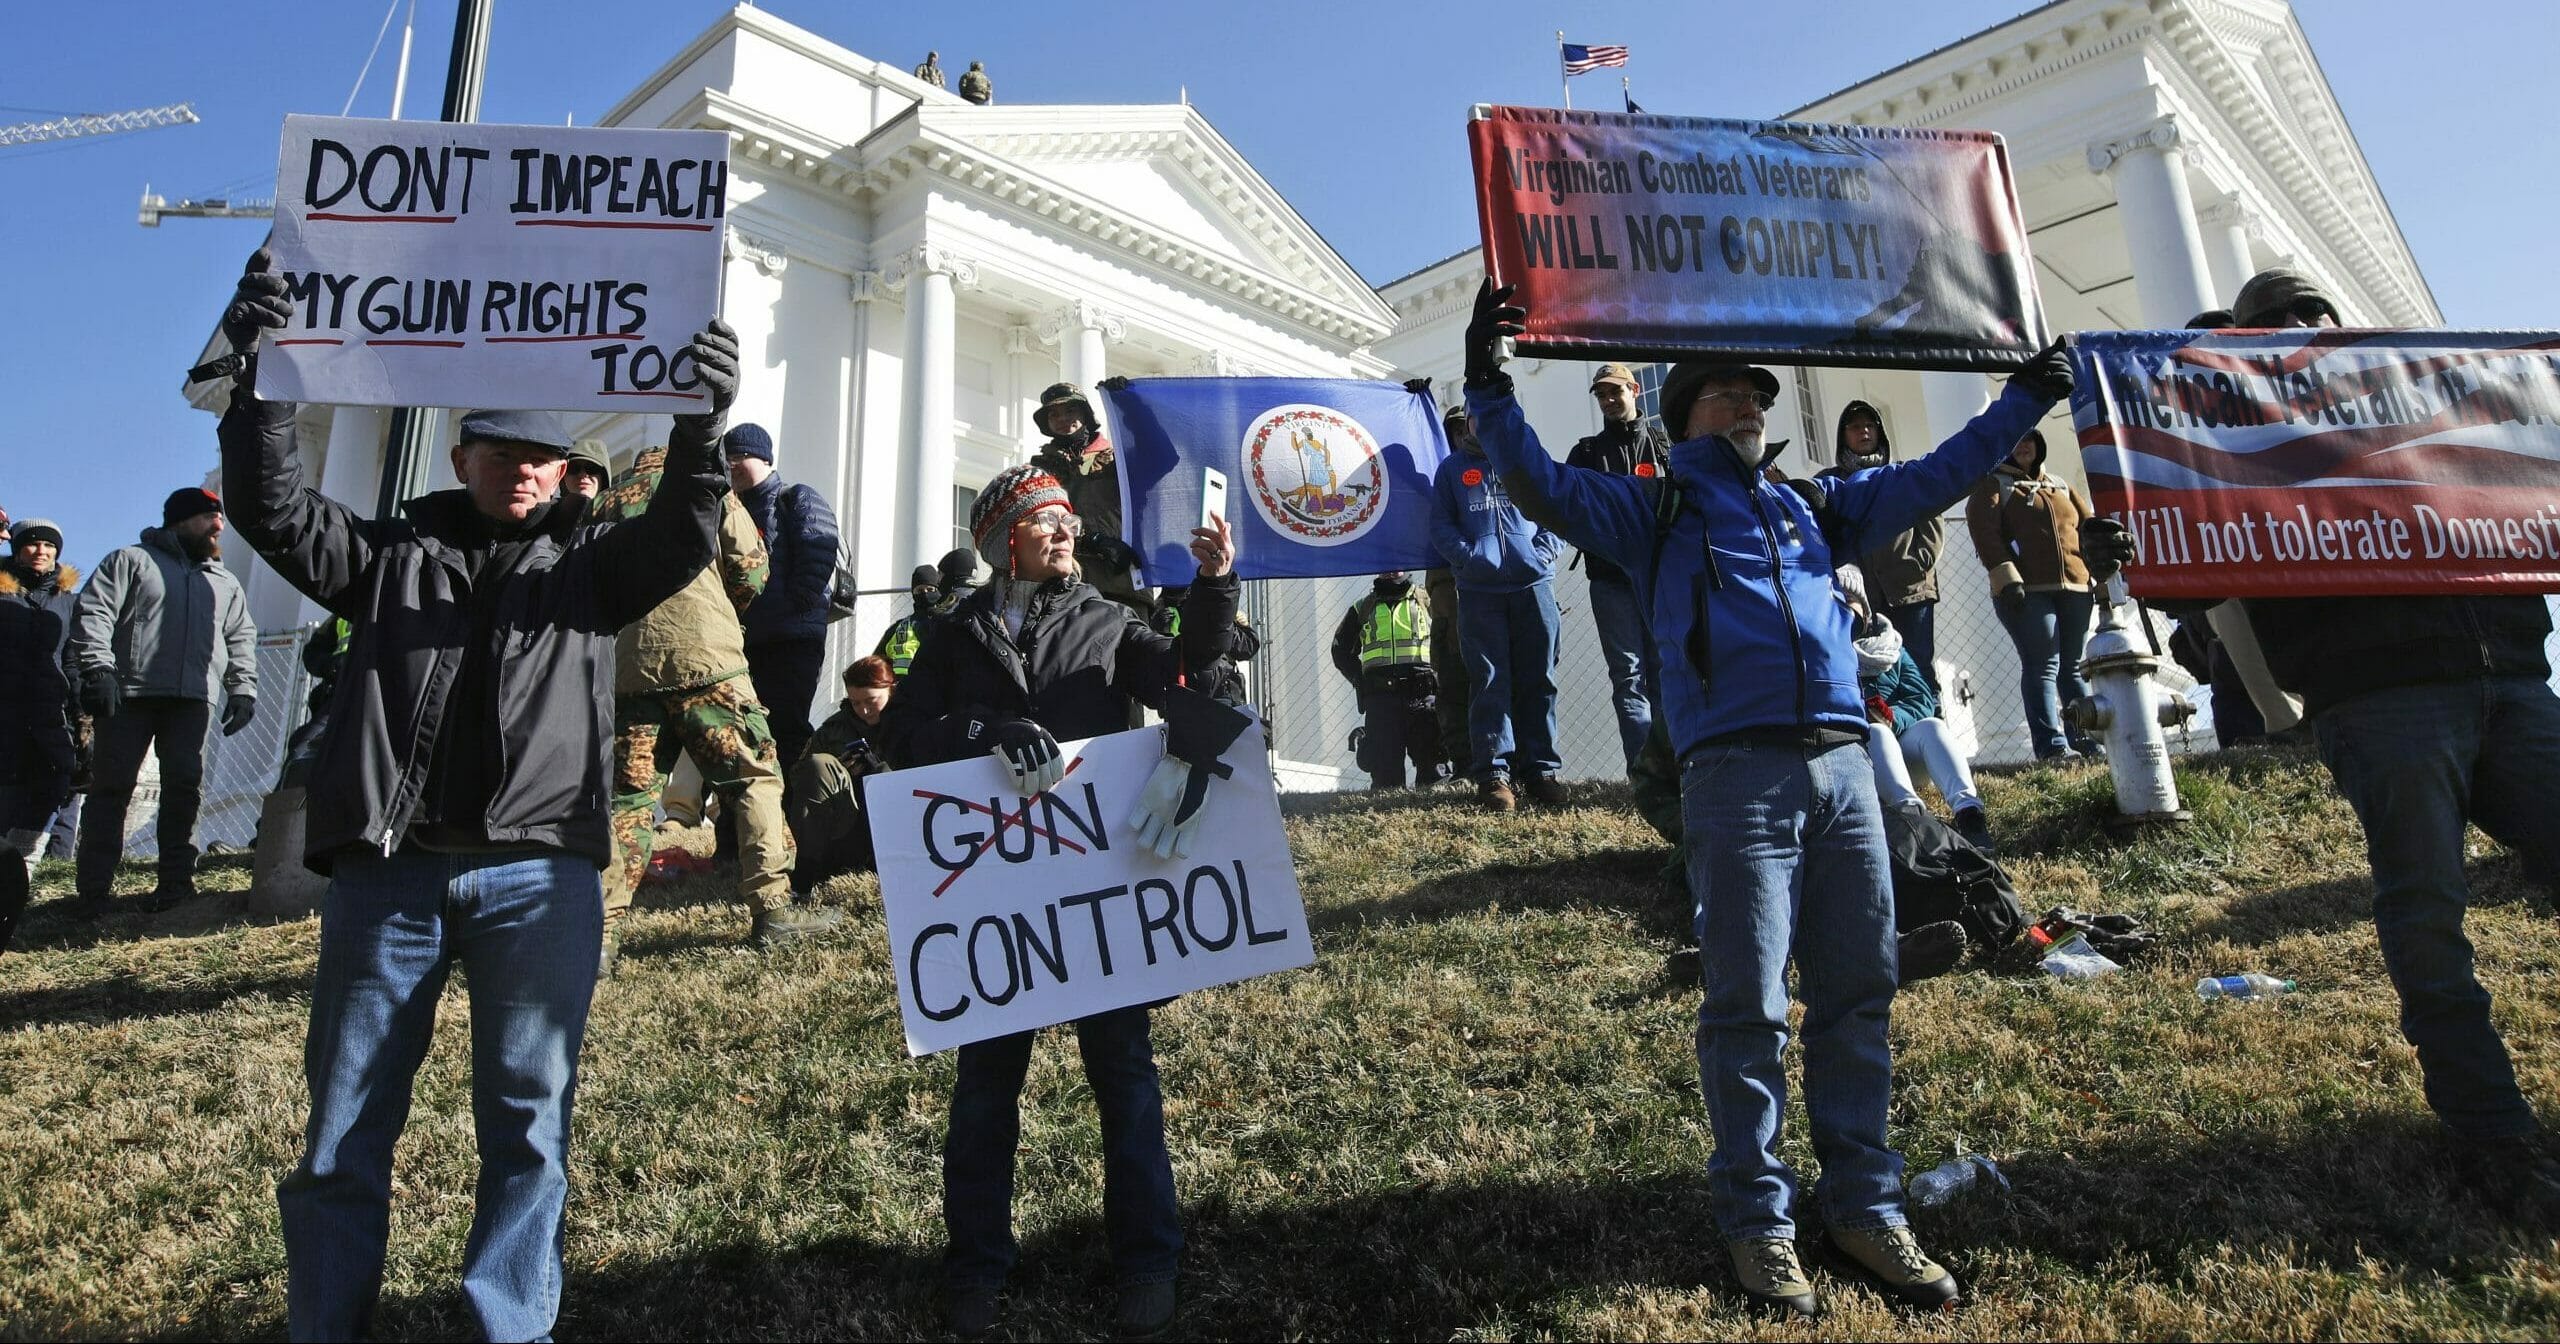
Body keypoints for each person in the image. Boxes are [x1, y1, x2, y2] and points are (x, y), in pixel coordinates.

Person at [1461, 279, 2070, 1317]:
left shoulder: (1815, 506)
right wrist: (1488, 375)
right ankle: (1758, 1221)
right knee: (1745, 1007)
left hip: (1843, 770)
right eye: (1728, 396)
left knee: (1856, 997)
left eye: (1758, 395)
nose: (1750, 407)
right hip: (1733, 777)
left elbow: (1935, 474)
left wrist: (2019, 404)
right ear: (1683, 414)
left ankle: (1864, 1206)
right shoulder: (1653, 505)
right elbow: (1530, 478)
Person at [215, 248, 738, 1341]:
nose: (525, 470)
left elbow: (687, 534)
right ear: (463, 455)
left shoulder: (593, 568)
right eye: (504, 450)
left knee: (528, 1125)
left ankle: (511, 1326)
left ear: (569, 471)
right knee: (342, 1130)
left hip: (536, 877)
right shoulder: (384, 555)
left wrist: (699, 426)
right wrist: (262, 376)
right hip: (390, 877)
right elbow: (270, 509)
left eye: (545, 455)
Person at [2178, 266, 2560, 1213]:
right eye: (2278, 322)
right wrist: (2136, 547)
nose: (2303, 328)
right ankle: (2492, 1133)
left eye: (2315, 314)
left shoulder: (2423, 399)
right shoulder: (2241, 440)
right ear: (2248, 338)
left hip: (2511, 673)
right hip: (2381, 698)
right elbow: (2189, 570)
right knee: (2426, 911)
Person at [883, 461, 1243, 1340]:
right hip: (997, 901)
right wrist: (984, 732)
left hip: (1093, 895)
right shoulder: (954, 634)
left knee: (1123, 1079)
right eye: (1044, 522)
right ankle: (974, 1270)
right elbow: (899, 737)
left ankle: (1148, 1261)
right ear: (1003, 539)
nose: (1064, 532)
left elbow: (1191, 671)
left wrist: (1213, 584)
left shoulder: (1111, 622)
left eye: (1067, 522)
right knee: (984, 1090)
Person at [593, 443, 840, 977]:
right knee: (754, 777)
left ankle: (600, 935)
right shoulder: (707, 485)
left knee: (628, 799)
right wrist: (726, 608)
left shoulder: (607, 502)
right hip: (707, 659)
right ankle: (773, 910)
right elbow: (751, 568)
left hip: (628, 667)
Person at [66, 485, 257, 912]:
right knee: (112, 789)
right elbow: (94, 612)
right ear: (181, 521)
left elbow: (240, 637)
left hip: (192, 699)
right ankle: (93, 891)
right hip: (130, 693)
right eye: (210, 517)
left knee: (184, 789)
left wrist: (242, 688)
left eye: (220, 518)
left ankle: (175, 885)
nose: (219, 526)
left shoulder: (224, 582)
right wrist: (98, 669)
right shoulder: (130, 561)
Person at [1431, 404, 1564, 811]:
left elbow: (1555, 512)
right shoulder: (1451, 471)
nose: (1481, 423)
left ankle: (1540, 770)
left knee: (1539, 677)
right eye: (1474, 416)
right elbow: (1440, 527)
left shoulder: (1526, 461)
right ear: (1468, 423)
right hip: (1478, 592)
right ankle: (1494, 774)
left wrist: (1541, 556)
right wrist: (1472, 559)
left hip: (1533, 587)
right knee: (1489, 680)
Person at [1966, 426, 2102, 760]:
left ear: (2039, 444)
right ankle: (2051, 744)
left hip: (2076, 586)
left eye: (2028, 438)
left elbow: (2090, 528)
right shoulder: (1994, 483)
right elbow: (1984, 530)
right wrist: (2005, 576)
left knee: (2072, 667)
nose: (2022, 445)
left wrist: (2103, 566)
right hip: (2027, 591)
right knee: (2043, 664)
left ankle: (2084, 738)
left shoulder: (2060, 485)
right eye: (2015, 439)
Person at [1838, 566, 1992, 852]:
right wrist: (1866, 717)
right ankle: (1913, 821)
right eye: (1840, 600)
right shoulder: (1826, 652)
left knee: (1932, 725)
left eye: (1853, 599)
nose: (1847, 608)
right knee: (1877, 733)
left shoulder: (1891, 645)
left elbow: (1921, 698)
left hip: (1904, 744)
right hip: (1859, 755)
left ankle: (1970, 814)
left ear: (1865, 606)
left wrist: (1893, 718)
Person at [1564, 363, 1672, 768]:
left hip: (1661, 580)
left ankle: (1675, 771)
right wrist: (1596, 544)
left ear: (1635, 391)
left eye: (1616, 392)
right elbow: (1566, 510)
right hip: (1610, 581)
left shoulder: (1665, 447)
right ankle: (1644, 775)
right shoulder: (1586, 454)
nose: (1609, 401)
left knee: (1665, 672)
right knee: (1628, 678)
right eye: (1602, 395)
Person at [727, 422, 840, 793]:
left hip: (792, 639)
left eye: (739, 457)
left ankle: (793, 815)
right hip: (747, 642)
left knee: (786, 728)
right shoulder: (731, 509)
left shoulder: (794, 497)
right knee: (744, 731)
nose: (732, 466)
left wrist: (796, 604)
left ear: (763, 457)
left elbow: (819, 547)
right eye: (727, 460)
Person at [1819, 401, 1944, 694]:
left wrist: (1917, 562)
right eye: (1855, 427)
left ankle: (1931, 729)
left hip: (1911, 591)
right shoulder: (1830, 483)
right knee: (1871, 672)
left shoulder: (1902, 474)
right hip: (1861, 598)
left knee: (1919, 668)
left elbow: (1932, 514)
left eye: (1869, 426)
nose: (1864, 431)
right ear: (1843, 436)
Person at [1, 515, 78, 946]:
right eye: (32, 544)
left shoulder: (69, 600)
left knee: (53, 790)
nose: (41, 552)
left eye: (49, 546)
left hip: (52, 713)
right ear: (17, 548)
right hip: (6, 714)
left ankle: (27, 878)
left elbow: (73, 656)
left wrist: (81, 708)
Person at [1028, 381, 1145, 610]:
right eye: (1054, 414)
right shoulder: (1039, 471)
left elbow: (1161, 457)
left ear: (1085, 414)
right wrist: (1093, 540)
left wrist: (1129, 405)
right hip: (1064, 588)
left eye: (1070, 410)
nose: (1062, 418)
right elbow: (1038, 521)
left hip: (1122, 587)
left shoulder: (1117, 460)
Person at [787, 654, 898, 889]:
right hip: (845, 820)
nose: (864, 710)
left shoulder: (910, 722)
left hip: (895, 824)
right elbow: (799, 777)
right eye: (856, 703)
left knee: (884, 775)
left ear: (892, 690)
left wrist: (878, 768)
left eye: (871, 700)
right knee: (819, 765)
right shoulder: (833, 729)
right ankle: (806, 873)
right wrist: (838, 770)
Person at [1330, 570, 1444, 789]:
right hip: (1381, 699)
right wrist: (1359, 679)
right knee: (1385, 776)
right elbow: (1340, 650)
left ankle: (1434, 813)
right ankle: (1387, 816)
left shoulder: (1427, 600)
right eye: (1385, 566)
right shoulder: (1362, 607)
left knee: (1433, 766)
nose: (1391, 571)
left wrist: (1442, 676)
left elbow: (1450, 637)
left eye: (1396, 565)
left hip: (1423, 694)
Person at [1149, 584, 1258, 707]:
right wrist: (1156, 629)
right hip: (1181, 692)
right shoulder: (1160, 612)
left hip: (1221, 689)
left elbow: (1248, 648)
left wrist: (1221, 623)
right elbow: (1154, 660)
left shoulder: (1213, 602)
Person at [874, 564, 945, 679]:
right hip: (900, 687)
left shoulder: (946, 622)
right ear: (913, 593)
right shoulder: (898, 627)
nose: (925, 593)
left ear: (938, 590)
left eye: (930, 589)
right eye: (919, 590)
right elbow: (876, 662)